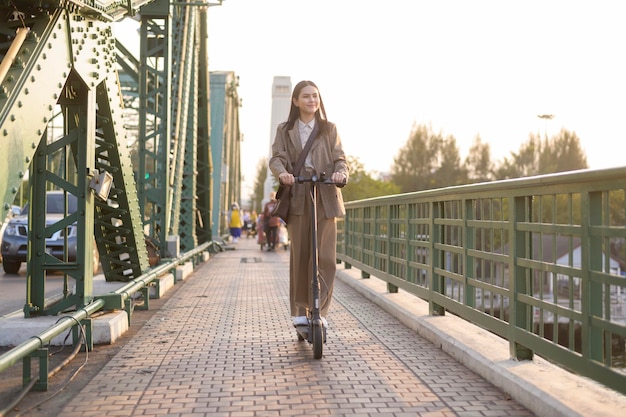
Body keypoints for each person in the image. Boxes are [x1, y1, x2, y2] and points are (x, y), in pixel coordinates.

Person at [268, 80, 349, 329]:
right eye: (306, 96)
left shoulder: (329, 129)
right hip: (299, 194)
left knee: (325, 258)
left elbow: (340, 159)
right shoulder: (285, 129)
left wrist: (340, 174)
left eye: (315, 96)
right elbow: (277, 157)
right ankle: (301, 310)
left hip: (326, 194)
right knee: (301, 255)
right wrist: (283, 173)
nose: (312, 100)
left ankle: (320, 310)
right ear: (295, 101)